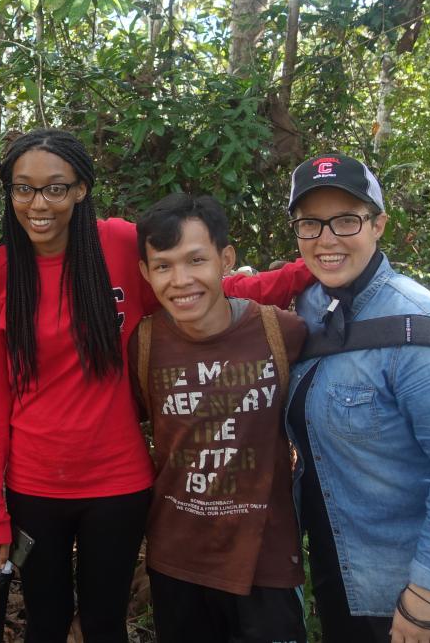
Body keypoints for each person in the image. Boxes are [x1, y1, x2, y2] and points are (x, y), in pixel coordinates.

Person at [0, 129, 314, 642]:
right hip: (33, 483)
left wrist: (311, 269)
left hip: (119, 482)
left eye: (55, 187)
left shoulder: (116, 243)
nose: (39, 204)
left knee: (104, 623)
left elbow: (198, 284)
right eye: (23, 188)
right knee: (45, 620)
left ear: (81, 189)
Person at [283, 152, 430, 643]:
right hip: (344, 565)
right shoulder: (312, 306)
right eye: (310, 224)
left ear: (378, 225)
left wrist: (427, 594)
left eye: (346, 220)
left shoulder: (419, 330)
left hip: (419, 582)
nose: (326, 239)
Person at [131, 193, 307, 643]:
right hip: (178, 560)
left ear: (226, 259)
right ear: (145, 273)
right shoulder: (144, 345)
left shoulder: (281, 332)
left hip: (266, 560)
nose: (181, 280)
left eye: (196, 260)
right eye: (164, 266)